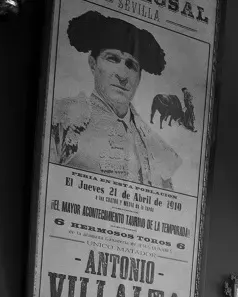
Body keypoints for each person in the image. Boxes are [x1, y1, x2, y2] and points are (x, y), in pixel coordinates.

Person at [50, 10, 182, 189]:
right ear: (93, 64)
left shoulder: (154, 147)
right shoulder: (62, 119)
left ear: (139, 77)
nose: (122, 76)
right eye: (112, 59)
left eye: (131, 65)